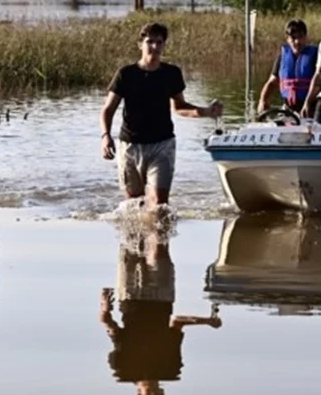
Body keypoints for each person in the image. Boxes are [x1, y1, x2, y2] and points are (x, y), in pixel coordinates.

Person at [100, 22, 224, 209]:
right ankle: (135, 239)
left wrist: (206, 111)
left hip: (162, 145)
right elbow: (107, 110)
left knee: (160, 204)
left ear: (164, 45)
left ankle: (159, 238)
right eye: (150, 42)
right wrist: (105, 137)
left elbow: (179, 107)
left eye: (159, 42)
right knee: (134, 205)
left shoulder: (171, 73)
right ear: (140, 44)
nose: (155, 47)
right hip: (130, 146)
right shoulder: (126, 74)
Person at [100, 225, 222, 392]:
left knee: (129, 243)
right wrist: (206, 321)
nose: (151, 392)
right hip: (162, 297)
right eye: (156, 394)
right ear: (162, 392)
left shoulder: (123, 371)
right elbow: (177, 323)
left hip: (130, 297)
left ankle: (131, 212)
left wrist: (105, 307)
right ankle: (158, 216)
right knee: (159, 247)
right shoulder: (171, 369)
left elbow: (109, 325)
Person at [256, 18, 318, 115]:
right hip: (288, 108)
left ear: (306, 37)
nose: (297, 41)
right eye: (293, 38)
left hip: (311, 108)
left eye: (301, 37)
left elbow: (320, 83)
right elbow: (272, 82)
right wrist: (263, 100)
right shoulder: (282, 56)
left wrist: (308, 104)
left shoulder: (316, 56)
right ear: (287, 39)